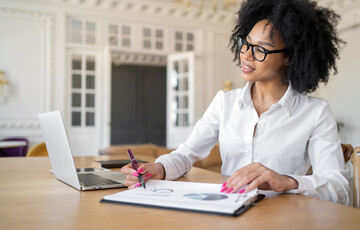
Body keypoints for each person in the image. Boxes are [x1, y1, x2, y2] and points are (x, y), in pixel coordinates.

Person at [121, 0, 349, 204]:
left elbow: (339, 188)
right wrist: (159, 168)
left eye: (261, 49)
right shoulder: (225, 102)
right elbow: (187, 154)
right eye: (246, 43)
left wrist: (287, 181)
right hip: (226, 211)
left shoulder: (316, 112)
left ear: (290, 57)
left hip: (282, 219)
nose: (247, 55)